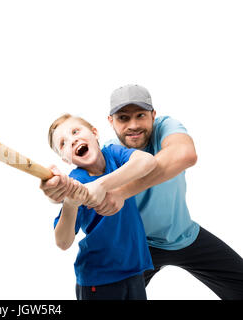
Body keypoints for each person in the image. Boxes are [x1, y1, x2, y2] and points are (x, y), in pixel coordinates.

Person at [41, 84, 243, 299]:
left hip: (184, 236)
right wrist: (61, 195)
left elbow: (184, 155)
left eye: (140, 115)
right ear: (111, 122)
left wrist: (118, 192)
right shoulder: (106, 152)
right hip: (138, 249)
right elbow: (77, 195)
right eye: (123, 118)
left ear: (153, 115)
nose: (133, 125)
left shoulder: (160, 130)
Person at [47, 113, 156, 300]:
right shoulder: (77, 182)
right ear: (65, 160)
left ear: (94, 133)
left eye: (75, 131)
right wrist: (71, 203)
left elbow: (147, 161)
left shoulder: (114, 154)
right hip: (99, 280)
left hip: (134, 270)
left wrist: (102, 185)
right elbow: (63, 242)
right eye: (63, 143)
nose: (72, 140)